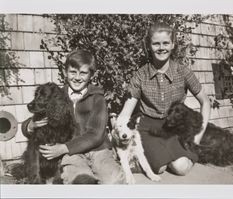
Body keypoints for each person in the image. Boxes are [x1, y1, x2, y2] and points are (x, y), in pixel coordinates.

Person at [117, 22, 211, 175]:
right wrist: (119, 132)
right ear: (149, 45)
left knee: (181, 168)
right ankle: (151, 157)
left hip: (176, 127)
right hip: (149, 129)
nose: (161, 48)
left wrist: (198, 136)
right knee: (159, 169)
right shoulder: (140, 75)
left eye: (166, 43)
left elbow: (205, 102)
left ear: (173, 44)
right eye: (156, 43)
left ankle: (166, 155)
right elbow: (126, 111)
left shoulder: (183, 72)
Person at [22, 49, 125, 184]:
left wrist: (63, 148)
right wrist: (29, 125)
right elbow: (40, 115)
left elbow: (96, 134)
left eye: (83, 73)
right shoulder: (57, 95)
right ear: (65, 72)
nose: (77, 77)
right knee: (81, 181)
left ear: (91, 75)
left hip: (97, 149)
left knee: (114, 180)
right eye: (72, 72)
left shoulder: (97, 98)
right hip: (72, 154)